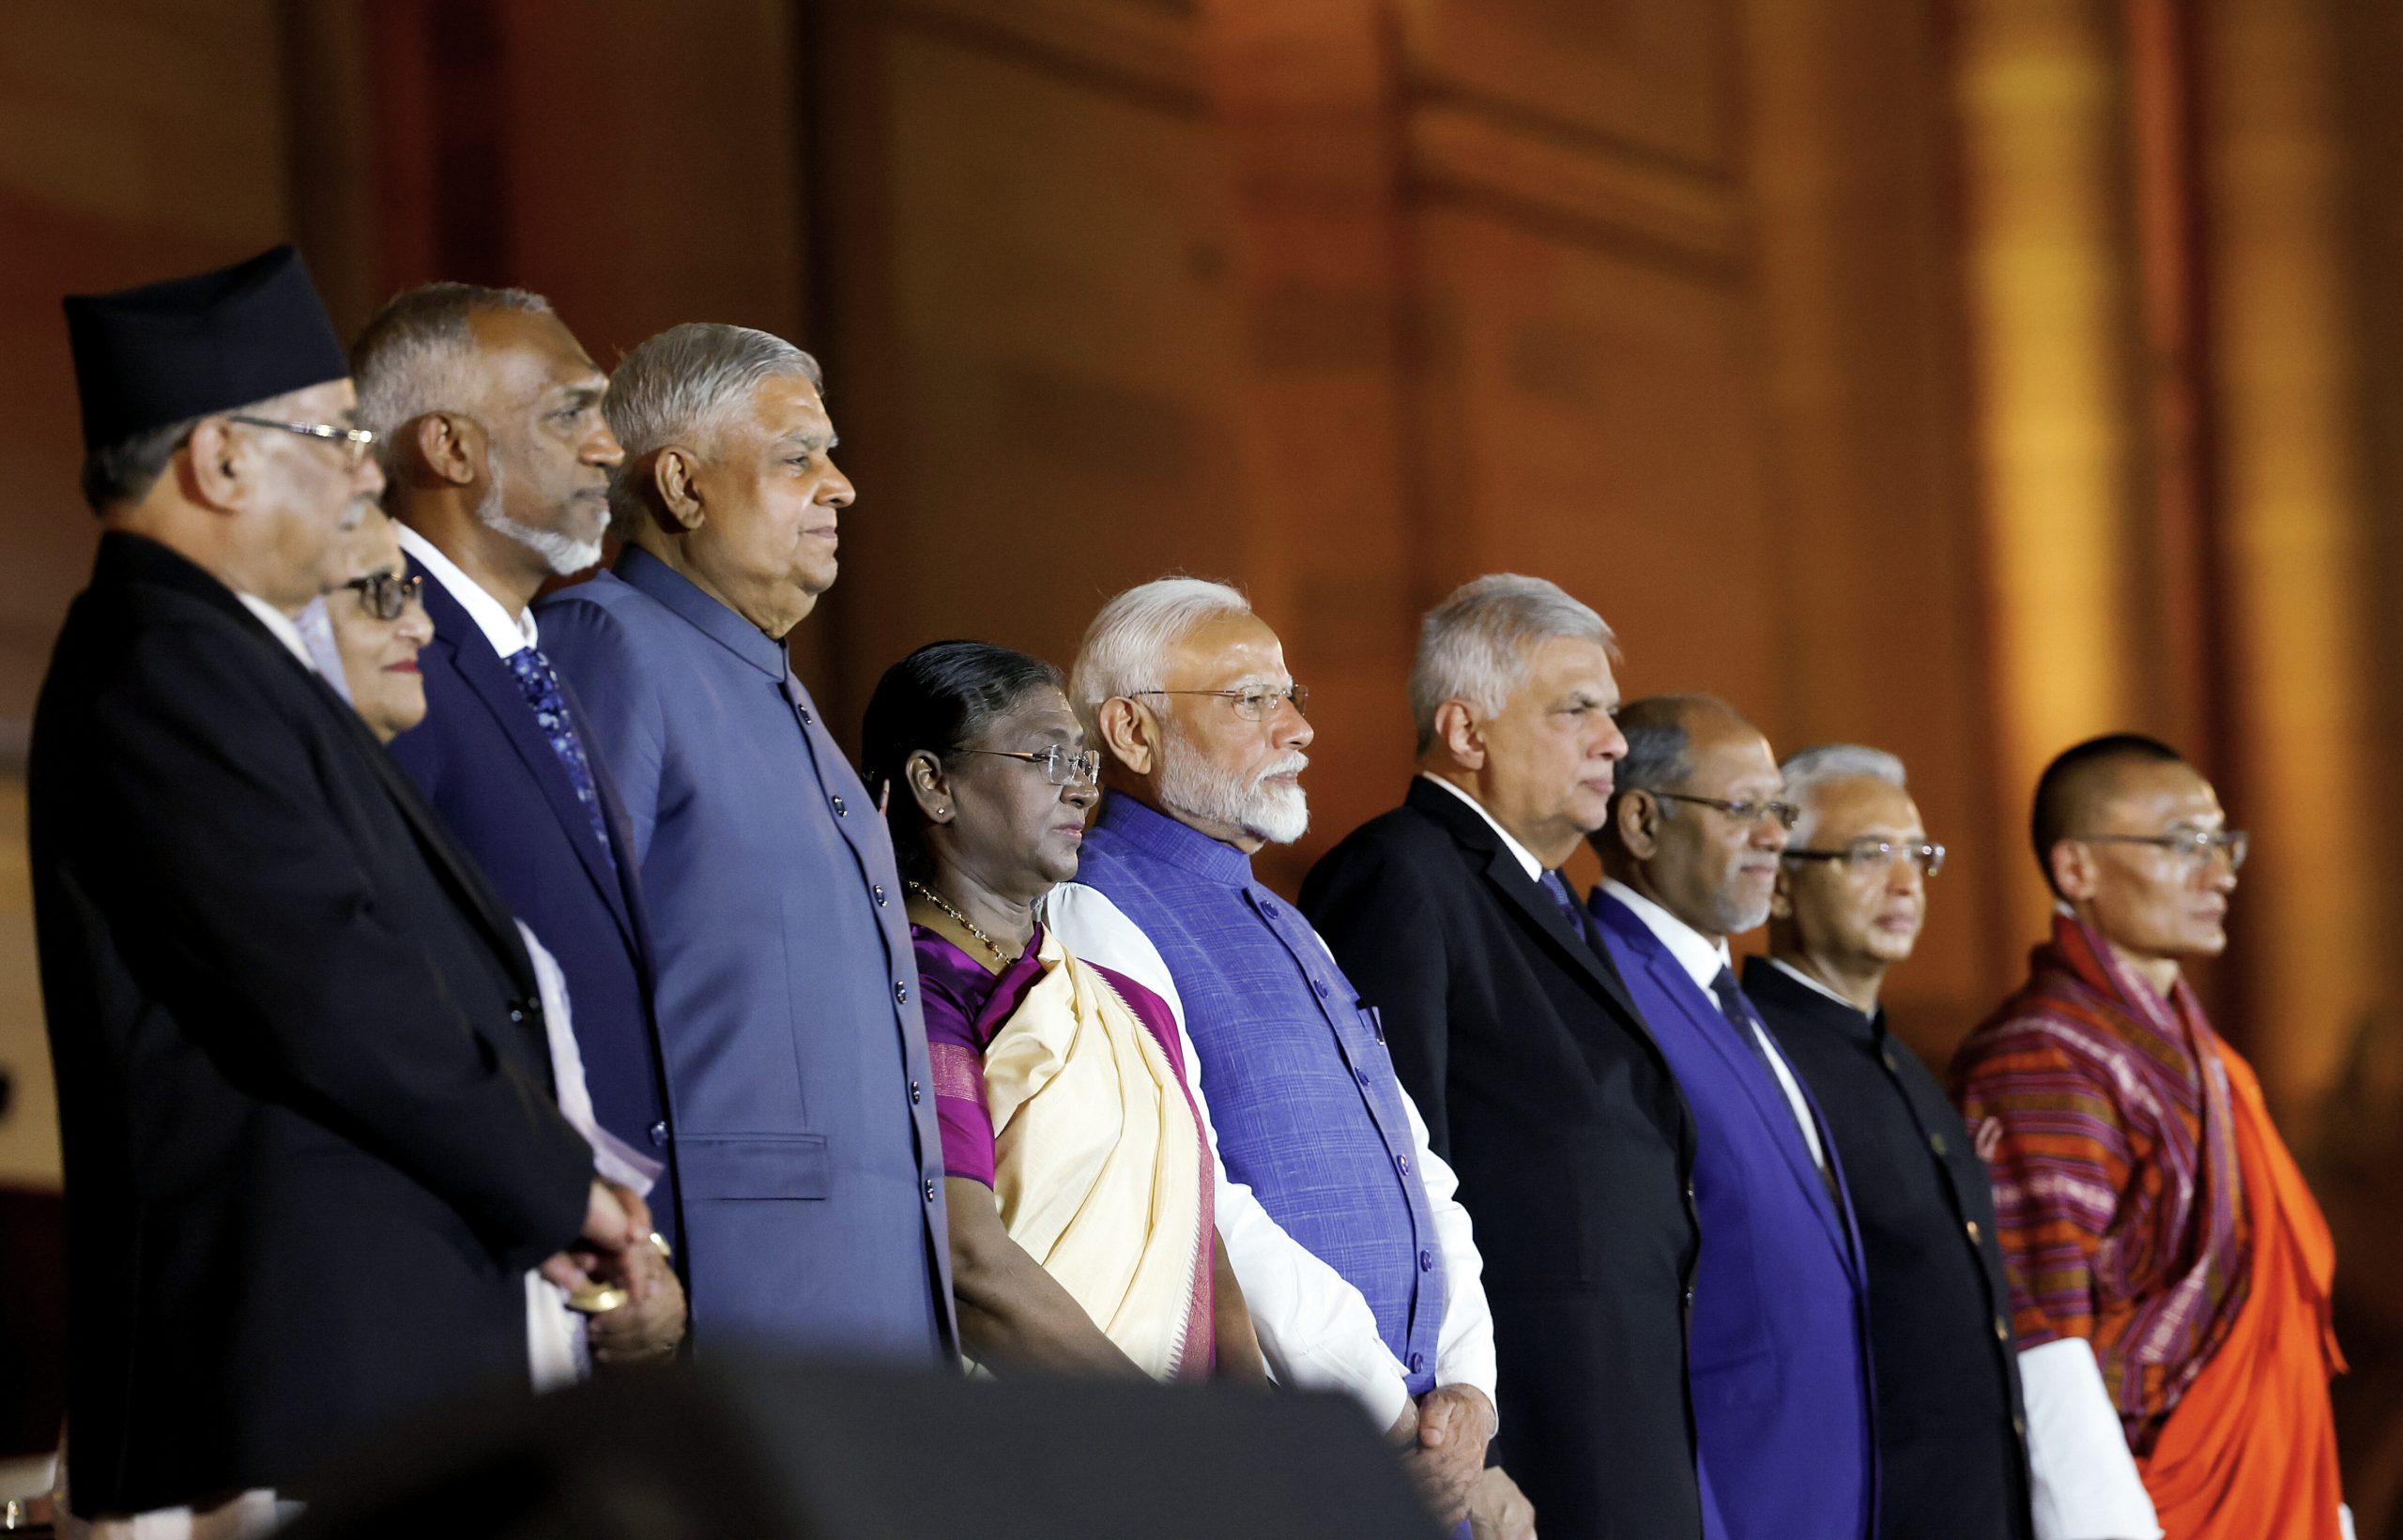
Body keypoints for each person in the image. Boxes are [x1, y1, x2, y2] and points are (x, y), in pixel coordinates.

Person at [32, 247, 647, 1532]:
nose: (371, 471)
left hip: (369, 1357)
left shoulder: (224, 661)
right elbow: (332, 981)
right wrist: (552, 1180)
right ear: (220, 460)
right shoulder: (169, 663)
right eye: (335, 435)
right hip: (305, 1363)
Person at [1045, 578, 1509, 1536]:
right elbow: (1197, 1199)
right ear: (1132, 733)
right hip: (1304, 1461)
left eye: (1292, 697)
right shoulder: (1096, 911)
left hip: (1417, 1449)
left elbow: (1414, 1165)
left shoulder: (1291, 924)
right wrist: (1384, 1413)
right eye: (1252, 699)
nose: (1296, 729)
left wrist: (1469, 1382)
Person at [537, 323, 955, 1361]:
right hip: (731, 1291)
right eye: (797, 456)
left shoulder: (773, 684)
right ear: (682, 486)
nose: (842, 486)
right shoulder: (608, 641)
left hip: (876, 1297)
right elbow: (563, 975)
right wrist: (631, 1247)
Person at [1301, 574, 1714, 1540]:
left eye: (1610, 714)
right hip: (1523, 1441)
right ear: (1466, 731)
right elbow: (1390, 1181)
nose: (1613, 740)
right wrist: (1469, 1449)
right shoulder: (1402, 874)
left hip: (1614, 1417)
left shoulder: (1545, 894)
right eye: (1577, 710)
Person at [352, 282, 682, 1258]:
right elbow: (399, 987)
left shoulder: (534, 662)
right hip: (488, 1246)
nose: (608, 446)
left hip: (605, 1252)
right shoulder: (380, 649)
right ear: (448, 448)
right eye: (568, 410)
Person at [1954, 735, 2349, 1540]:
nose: (2221, 872)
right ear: (2076, 870)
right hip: (2141, 1500)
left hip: (2266, 1489)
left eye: (2222, 842)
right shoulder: (2042, 1058)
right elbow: (2040, 1333)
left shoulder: (2212, 1061)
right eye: (2183, 844)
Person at [325, 511, 686, 1376]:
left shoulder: (543, 679)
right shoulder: (327, 836)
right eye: (381, 595)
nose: (416, 621)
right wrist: (567, 1204)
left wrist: (630, 1238)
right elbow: (394, 1043)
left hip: (567, 1274)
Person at [858, 640, 1267, 1383]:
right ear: (933, 783)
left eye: (1084, 764)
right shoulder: (911, 991)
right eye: (1049, 760)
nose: (1081, 790)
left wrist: (1249, 1427)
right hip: (1037, 1450)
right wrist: (1155, 1431)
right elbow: (967, 1260)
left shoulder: (1122, 999)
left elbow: (1195, 1235)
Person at [1586, 694, 1875, 1540]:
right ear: (1641, 820)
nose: (1774, 835)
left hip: (1821, 1489)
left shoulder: (1730, 996)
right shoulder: (1607, 996)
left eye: (1778, 810)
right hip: (1724, 1494)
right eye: (1742, 807)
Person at [1746, 744, 2031, 1540]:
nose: (1906, 882)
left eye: (1917, 854)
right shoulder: (1762, 1063)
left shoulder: (1898, 1058)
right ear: (1779, 882)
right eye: (1871, 854)